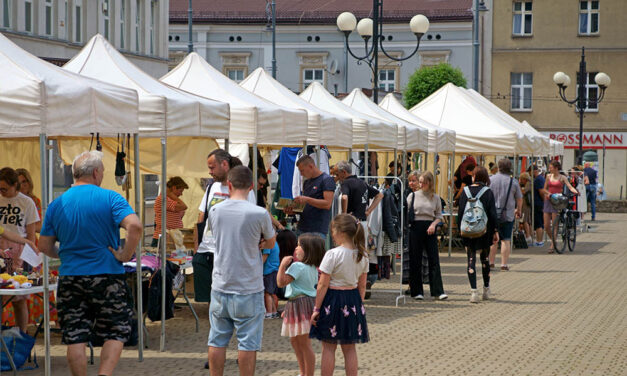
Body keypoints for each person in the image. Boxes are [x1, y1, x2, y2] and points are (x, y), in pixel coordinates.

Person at [38, 151, 142, 376]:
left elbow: (44, 246)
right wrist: (125, 255)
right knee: (115, 331)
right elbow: (135, 226)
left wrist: (63, 254)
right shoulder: (111, 198)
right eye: (103, 171)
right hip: (107, 276)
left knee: (74, 336)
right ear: (96, 172)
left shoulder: (57, 204)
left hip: (71, 276)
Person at [207, 165, 276, 376]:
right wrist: (260, 243)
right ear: (252, 186)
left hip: (221, 284)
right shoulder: (259, 213)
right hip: (249, 286)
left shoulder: (215, 210)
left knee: (217, 340)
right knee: (247, 344)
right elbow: (271, 243)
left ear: (228, 184)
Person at [193, 149, 256, 308]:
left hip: (230, 250)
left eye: (212, 167)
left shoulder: (244, 189)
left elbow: (251, 220)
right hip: (206, 248)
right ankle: (216, 316)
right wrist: (197, 247)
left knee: (228, 291)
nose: (210, 171)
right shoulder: (211, 188)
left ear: (225, 164)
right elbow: (201, 217)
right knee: (210, 292)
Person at [310, 214, 369, 376]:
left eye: (333, 231)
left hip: (333, 300)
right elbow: (362, 285)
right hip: (353, 299)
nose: (332, 235)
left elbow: (323, 284)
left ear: (340, 232)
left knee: (328, 347)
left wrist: (316, 308)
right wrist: (359, 304)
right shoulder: (363, 255)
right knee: (350, 348)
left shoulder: (332, 254)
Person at [277, 233, 325, 376]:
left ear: (308, 250)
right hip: (302, 304)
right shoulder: (312, 268)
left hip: (299, 304)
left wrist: (282, 266)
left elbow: (281, 283)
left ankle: (306, 373)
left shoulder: (297, 266)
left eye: (299, 245)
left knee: (302, 343)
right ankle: (304, 372)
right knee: (297, 341)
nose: (296, 248)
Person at [335, 160, 383, 296]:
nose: (337, 177)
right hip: (362, 223)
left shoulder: (346, 183)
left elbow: (344, 197)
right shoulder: (362, 183)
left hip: (351, 223)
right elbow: (380, 195)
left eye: (338, 174)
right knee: (361, 252)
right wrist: (369, 211)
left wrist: (344, 215)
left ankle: (351, 282)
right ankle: (363, 282)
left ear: (344, 172)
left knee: (348, 251)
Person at [0, 167, 40, 331]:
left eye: (4, 188)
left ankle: (21, 336)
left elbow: (30, 235)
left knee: (18, 297)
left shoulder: (27, 202)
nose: (1, 191)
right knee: (2, 295)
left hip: (19, 252)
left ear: (14, 185)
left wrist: (27, 258)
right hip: (1, 250)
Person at [457, 166, 498, 303]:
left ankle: (473, 292)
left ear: (474, 177)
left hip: (468, 230)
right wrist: (494, 232)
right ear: (485, 178)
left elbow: (461, 212)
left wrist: (460, 229)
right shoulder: (488, 192)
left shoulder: (465, 191)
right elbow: (492, 215)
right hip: (484, 231)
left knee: (471, 259)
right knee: (484, 259)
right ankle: (486, 289)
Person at [406, 171, 447, 301]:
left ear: (430, 183)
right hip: (415, 227)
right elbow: (408, 213)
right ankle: (417, 291)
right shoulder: (412, 196)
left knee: (434, 259)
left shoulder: (435, 198)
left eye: (424, 182)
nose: (421, 184)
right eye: (420, 181)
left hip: (430, 227)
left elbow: (439, 216)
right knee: (415, 259)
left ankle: (437, 291)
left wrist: (434, 225)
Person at [488, 159, 522, 271]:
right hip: (507, 214)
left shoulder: (491, 179)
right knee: (505, 239)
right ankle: (504, 264)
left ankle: (491, 262)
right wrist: (519, 210)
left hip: (492, 214)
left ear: (498, 167)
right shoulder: (513, 181)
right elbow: (519, 198)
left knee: (493, 239)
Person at [291, 155, 335, 239]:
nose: (301, 174)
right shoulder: (306, 182)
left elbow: (327, 204)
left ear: (311, 166)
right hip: (302, 227)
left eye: (302, 171)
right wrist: (293, 210)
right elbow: (306, 206)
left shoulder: (326, 180)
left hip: (317, 229)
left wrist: (307, 199)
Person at [543, 160, 578, 254]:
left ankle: (552, 245)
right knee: (546, 225)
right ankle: (554, 241)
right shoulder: (548, 176)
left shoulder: (562, 177)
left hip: (557, 201)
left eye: (550, 167)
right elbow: (544, 189)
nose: (549, 169)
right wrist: (549, 194)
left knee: (555, 224)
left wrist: (576, 192)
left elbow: (570, 187)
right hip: (549, 200)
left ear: (556, 168)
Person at [152, 176, 188, 247]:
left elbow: (181, 213)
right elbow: (184, 207)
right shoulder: (164, 199)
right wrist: (171, 195)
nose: (181, 194)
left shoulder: (171, 200)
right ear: (174, 188)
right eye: (180, 191)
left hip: (171, 237)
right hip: (164, 237)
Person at [16, 168, 42, 232]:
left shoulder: (35, 201)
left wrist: (22, 226)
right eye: (19, 183)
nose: (22, 186)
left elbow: (39, 227)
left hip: (30, 239)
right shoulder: (9, 200)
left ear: (29, 182)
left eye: (24, 181)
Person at [529, 165, 547, 246]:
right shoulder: (540, 179)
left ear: (534, 171)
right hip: (540, 203)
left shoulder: (538, 180)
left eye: (529, 172)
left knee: (538, 223)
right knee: (540, 223)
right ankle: (539, 241)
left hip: (538, 204)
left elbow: (541, 192)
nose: (529, 174)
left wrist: (543, 202)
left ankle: (539, 241)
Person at [262, 242, 280, 319]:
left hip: (268, 270)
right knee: (271, 293)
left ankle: (269, 312)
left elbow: (264, 257)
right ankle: (274, 312)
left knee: (267, 293)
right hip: (275, 270)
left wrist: (257, 266)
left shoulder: (268, 244)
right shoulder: (275, 243)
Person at [519, 172, 533, 244]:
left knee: (525, 220)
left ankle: (528, 236)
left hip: (526, 204)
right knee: (527, 220)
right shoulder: (528, 184)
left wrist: (518, 187)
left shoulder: (529, 184)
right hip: (526, 204)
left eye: (521, 179)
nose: (521, 181)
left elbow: (524, 192)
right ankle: (529, 235)